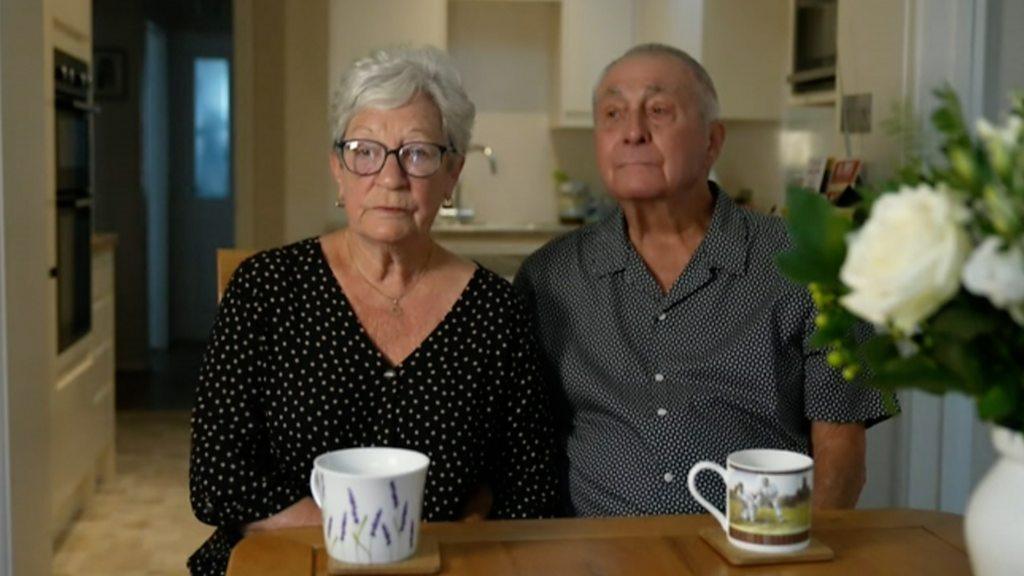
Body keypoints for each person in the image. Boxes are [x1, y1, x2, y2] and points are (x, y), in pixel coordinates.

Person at [188, 46, 559, 575]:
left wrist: (449, 548)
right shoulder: (265, 288)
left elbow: (530, 484)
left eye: (418, 153)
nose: (391, 178)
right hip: (286, 563)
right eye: (365, 150)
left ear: (452, 174)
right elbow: (216, 478)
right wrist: (364, 545)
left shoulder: (496, 311)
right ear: (337, 168)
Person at [514, 43, 890, 519]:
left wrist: (792, 557)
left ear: (713, 141)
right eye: (612, 113)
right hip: (597, 555)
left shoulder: (812, 264)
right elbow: (525, 449)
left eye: (658, 110)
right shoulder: (549, 277)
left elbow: (842, 457)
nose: (632, 132)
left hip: (755, 555)